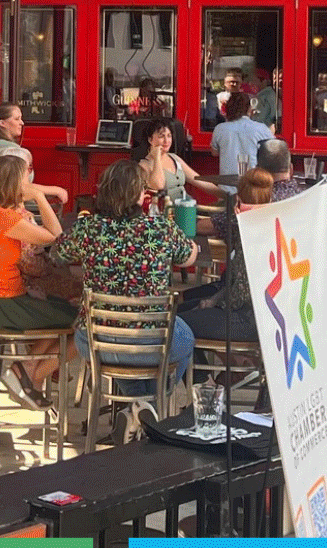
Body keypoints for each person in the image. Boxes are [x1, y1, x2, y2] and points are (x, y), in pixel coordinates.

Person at [59, 159, 198, 394]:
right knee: (186, 338)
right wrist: (193, 246)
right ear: (139, 194)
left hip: (98, 343)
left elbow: (59, 252)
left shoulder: (88, 228)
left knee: (119, 359)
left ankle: (137, 407)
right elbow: (188, 258)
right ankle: (150, 406)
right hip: (153, 342)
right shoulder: (161, 228)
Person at [0, 155, 77, 404]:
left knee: (54, 314)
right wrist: (39, 197)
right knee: (83, 320)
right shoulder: (6, 218)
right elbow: (57, 237)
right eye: (26, 177)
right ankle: (32, 373)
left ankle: (27, 375)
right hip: (7, 305)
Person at [178, 169, 269, 344]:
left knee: (177, 324)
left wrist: (215, 303)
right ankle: (205, 371)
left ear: (239, 201)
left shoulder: (253, 236)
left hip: (245, 319)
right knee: (182, 312)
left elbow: (239, 295)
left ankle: (200, 372)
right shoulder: (265, 226)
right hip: (255, 317)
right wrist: (213, 301)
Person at [135, 118, 212, 211]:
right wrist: (157, 158)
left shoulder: (174, 158)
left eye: (169, 136)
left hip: (188, 209)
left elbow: (198, 180)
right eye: (161, 136)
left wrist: (226, 195)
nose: (166, 140)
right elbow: (158, 185)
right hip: (169, 216)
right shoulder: (144, 165)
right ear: (150, 140)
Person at [209, 90, 273, 188]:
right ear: (249, 109)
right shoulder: (262, 129)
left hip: (226, 189)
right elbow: (274, 153)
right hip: (253, 189)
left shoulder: (220, 129)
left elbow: (214, 152)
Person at [0, 102, 33, 166]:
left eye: (21, 119)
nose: (22, 123)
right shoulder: (14, 153)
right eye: (17, 119)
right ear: (2, 123)